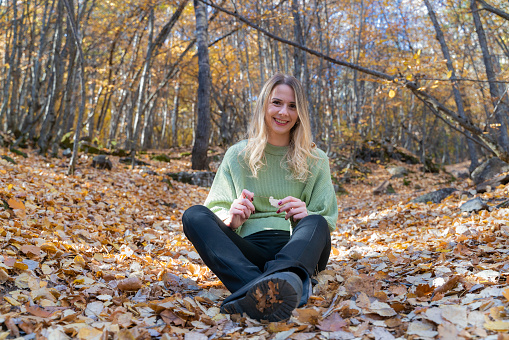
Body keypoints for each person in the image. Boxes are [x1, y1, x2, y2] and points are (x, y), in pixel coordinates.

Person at [182, 73, 338, 321]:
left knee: (316, 222)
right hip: (248, 251)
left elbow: (326, 218)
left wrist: (306, 215)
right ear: (264, 105)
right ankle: (275, 287)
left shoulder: (315, 158)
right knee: (193, 215)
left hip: (299, 248)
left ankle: (258, 288)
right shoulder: (237, 155)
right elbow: (216, 209)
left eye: (292, 106)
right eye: (277, 103)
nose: (283, 112)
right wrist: (232, 219)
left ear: (300, 114)